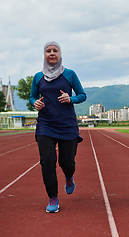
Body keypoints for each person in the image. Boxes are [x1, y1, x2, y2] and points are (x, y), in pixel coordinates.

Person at [29, 41, 86, 213]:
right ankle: (53, 197)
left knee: (66, 162)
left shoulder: (70, 74)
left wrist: (71, 98)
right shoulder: (38, 77)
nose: (52, 53)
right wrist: (35, 103)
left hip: (67, 125)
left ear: (60, 54)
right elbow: (32, 97)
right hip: (45, 124)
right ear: (44, 55)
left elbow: (82, 95)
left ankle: (69, 176)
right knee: (47, 161)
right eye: (48, 51)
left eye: (55, 50)